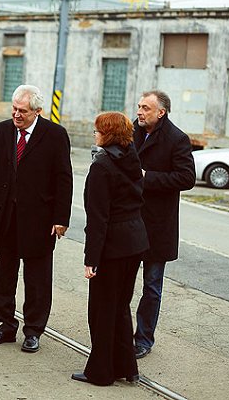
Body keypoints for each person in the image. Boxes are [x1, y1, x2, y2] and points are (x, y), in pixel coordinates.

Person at [0, 84, 73, 353]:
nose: (16, 115)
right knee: (4, 275)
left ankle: (33, 330)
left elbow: (64, 179)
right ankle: (6, 325)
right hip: (5, 218)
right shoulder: (1, 131)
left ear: (37, 111)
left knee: (37, 279)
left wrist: (60, 218)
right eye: (14, 109)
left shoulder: (54, 135)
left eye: (22, 111)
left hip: (39, 221)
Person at [71, 111, 148, 386]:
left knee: (102, 310)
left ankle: (101, 372)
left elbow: (98, 218)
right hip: (135, 242)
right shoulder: (131, 157)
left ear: (108, 134)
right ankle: (126, 366)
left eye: (97, 130)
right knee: (119, 307)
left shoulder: (102, 166)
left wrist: (91, 259)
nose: (95, 134)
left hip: (113, 248)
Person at [132, 90, 196, 359]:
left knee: (152, 286)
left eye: (145, 108)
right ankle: (118, 333)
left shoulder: (176, 139)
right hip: (130, 220)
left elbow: (186, 178)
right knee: (121, 282)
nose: (139, 112)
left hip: (158, 225)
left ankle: (144, 339)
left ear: (161, 112)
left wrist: (148, 177)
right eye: (138, 106)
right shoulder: (131, 131)